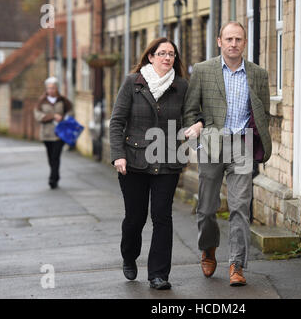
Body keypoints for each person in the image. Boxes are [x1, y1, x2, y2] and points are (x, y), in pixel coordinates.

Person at [183, 21, 272, 286]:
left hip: (241, 145)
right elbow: (189, 110)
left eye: (239, 39)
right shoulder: (202, 70)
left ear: (245, 43)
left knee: (240, 207)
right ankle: (208, 248)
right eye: (229, 39)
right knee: (207, 208)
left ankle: (237, 264)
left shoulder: (258, 74)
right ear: (219, 41)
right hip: (211, 144)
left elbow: (263, 112)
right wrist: (197, 128)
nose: (234, 44)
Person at [110, 38, 202, 290]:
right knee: (135, 218)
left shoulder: (182, 86)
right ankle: (129, 255)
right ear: (150, 57)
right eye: (162, 53)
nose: (167, 58)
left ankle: (159, 274)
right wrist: (118, 154)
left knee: (162, 217)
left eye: (171, 54)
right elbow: (117, 121)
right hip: (134, 161)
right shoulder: (133, 82)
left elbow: (191, 117)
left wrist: (197, 125)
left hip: (168, 160)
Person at [34, 77, 73, 189]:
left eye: (53, 88)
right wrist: (52, 116)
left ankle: (53, 179)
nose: (51, 90)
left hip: (60, 134)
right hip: (46, 134)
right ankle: (55, 175)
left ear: (57, 88)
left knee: (56, 156)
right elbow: (37, 115)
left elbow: (71, 111)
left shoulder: (63, 100)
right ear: (46, 89)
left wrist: (64, 117)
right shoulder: (42, 101)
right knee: (51, 157)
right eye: (49, 88)